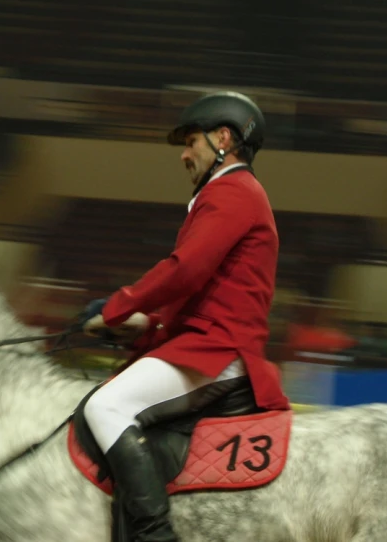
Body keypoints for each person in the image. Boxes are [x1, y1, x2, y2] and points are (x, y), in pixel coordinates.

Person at [80, 91, 291, 542]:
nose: (183, 154)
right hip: (205, 343)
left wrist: (119, 305)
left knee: (106, 405)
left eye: (190, 141)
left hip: (217, 354)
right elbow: (199, 296)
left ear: (222, 139)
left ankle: (156, 536)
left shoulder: (233, 191)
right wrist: (140, 324)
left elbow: (185, 271)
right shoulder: (230, 194)